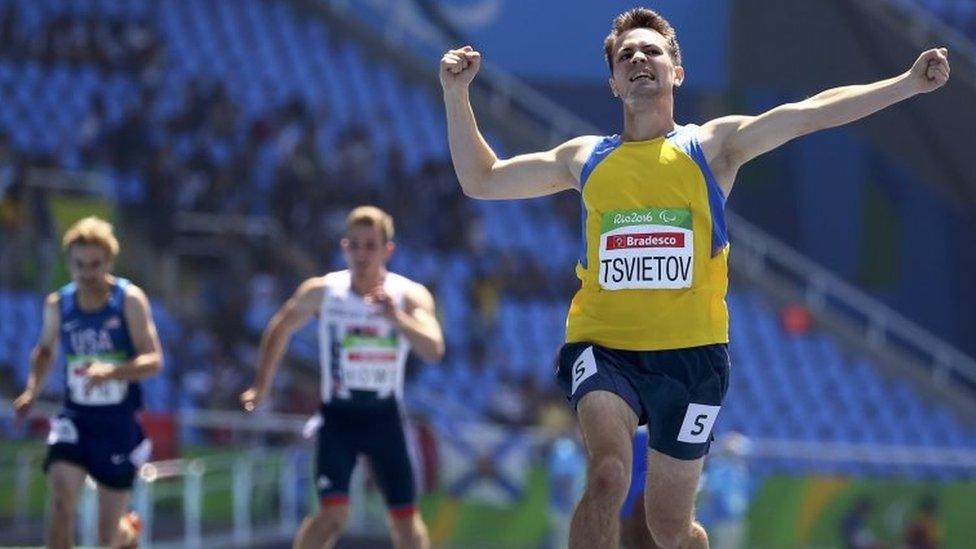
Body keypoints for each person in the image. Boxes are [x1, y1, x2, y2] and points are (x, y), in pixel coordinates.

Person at [439, 7, 950, 548]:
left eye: (651, 51)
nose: (639, 58)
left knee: (670, 527)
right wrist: (456, 93)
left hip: (693, 357)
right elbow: (482, 179)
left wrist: (907, 83)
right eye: (626, 55)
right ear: (613, 81)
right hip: (604, 346)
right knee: (608, 473)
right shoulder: (583, 158)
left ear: (676, 72)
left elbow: (810, 113)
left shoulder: (712, 147)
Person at [240, 205, 445, 549]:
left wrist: (396, 319)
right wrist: (261, 385)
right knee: (333, 515)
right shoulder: (323, 291)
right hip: (339, 416)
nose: (362, 254)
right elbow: (281, 326)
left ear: (387, 250)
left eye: (371, 245)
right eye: (355, 245)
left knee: (405, 520)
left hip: (384, 417)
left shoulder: (407, 296)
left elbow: (434, 348)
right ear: (344, 247)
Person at [12, 216, 163, 549]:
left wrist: (110, 372)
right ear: (69, 263)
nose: (86, 273)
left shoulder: (128, 300)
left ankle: (127, 531)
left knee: (107, 538)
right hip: (76, 418)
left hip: (117, 423)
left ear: (108, 262)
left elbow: (154, 360)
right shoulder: (59, 304)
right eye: (79, 265)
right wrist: (31, 391)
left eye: (95, 265)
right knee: (61, 504)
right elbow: (45, 351)